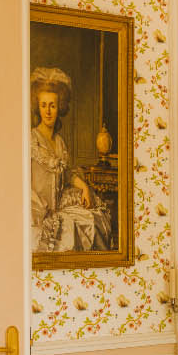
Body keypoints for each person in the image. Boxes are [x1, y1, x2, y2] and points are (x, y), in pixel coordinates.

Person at [30, 66, 112, 253]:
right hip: (36, 208)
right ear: (38, 107)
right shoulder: (31, 139)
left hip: (57, 205)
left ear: (60, 107)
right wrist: (40, 209)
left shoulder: (59, 141)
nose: (48, 111)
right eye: (44, 105)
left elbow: (67, 174)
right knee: (62, 232)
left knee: (92, 218)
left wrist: (84, 187)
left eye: (52, 105)